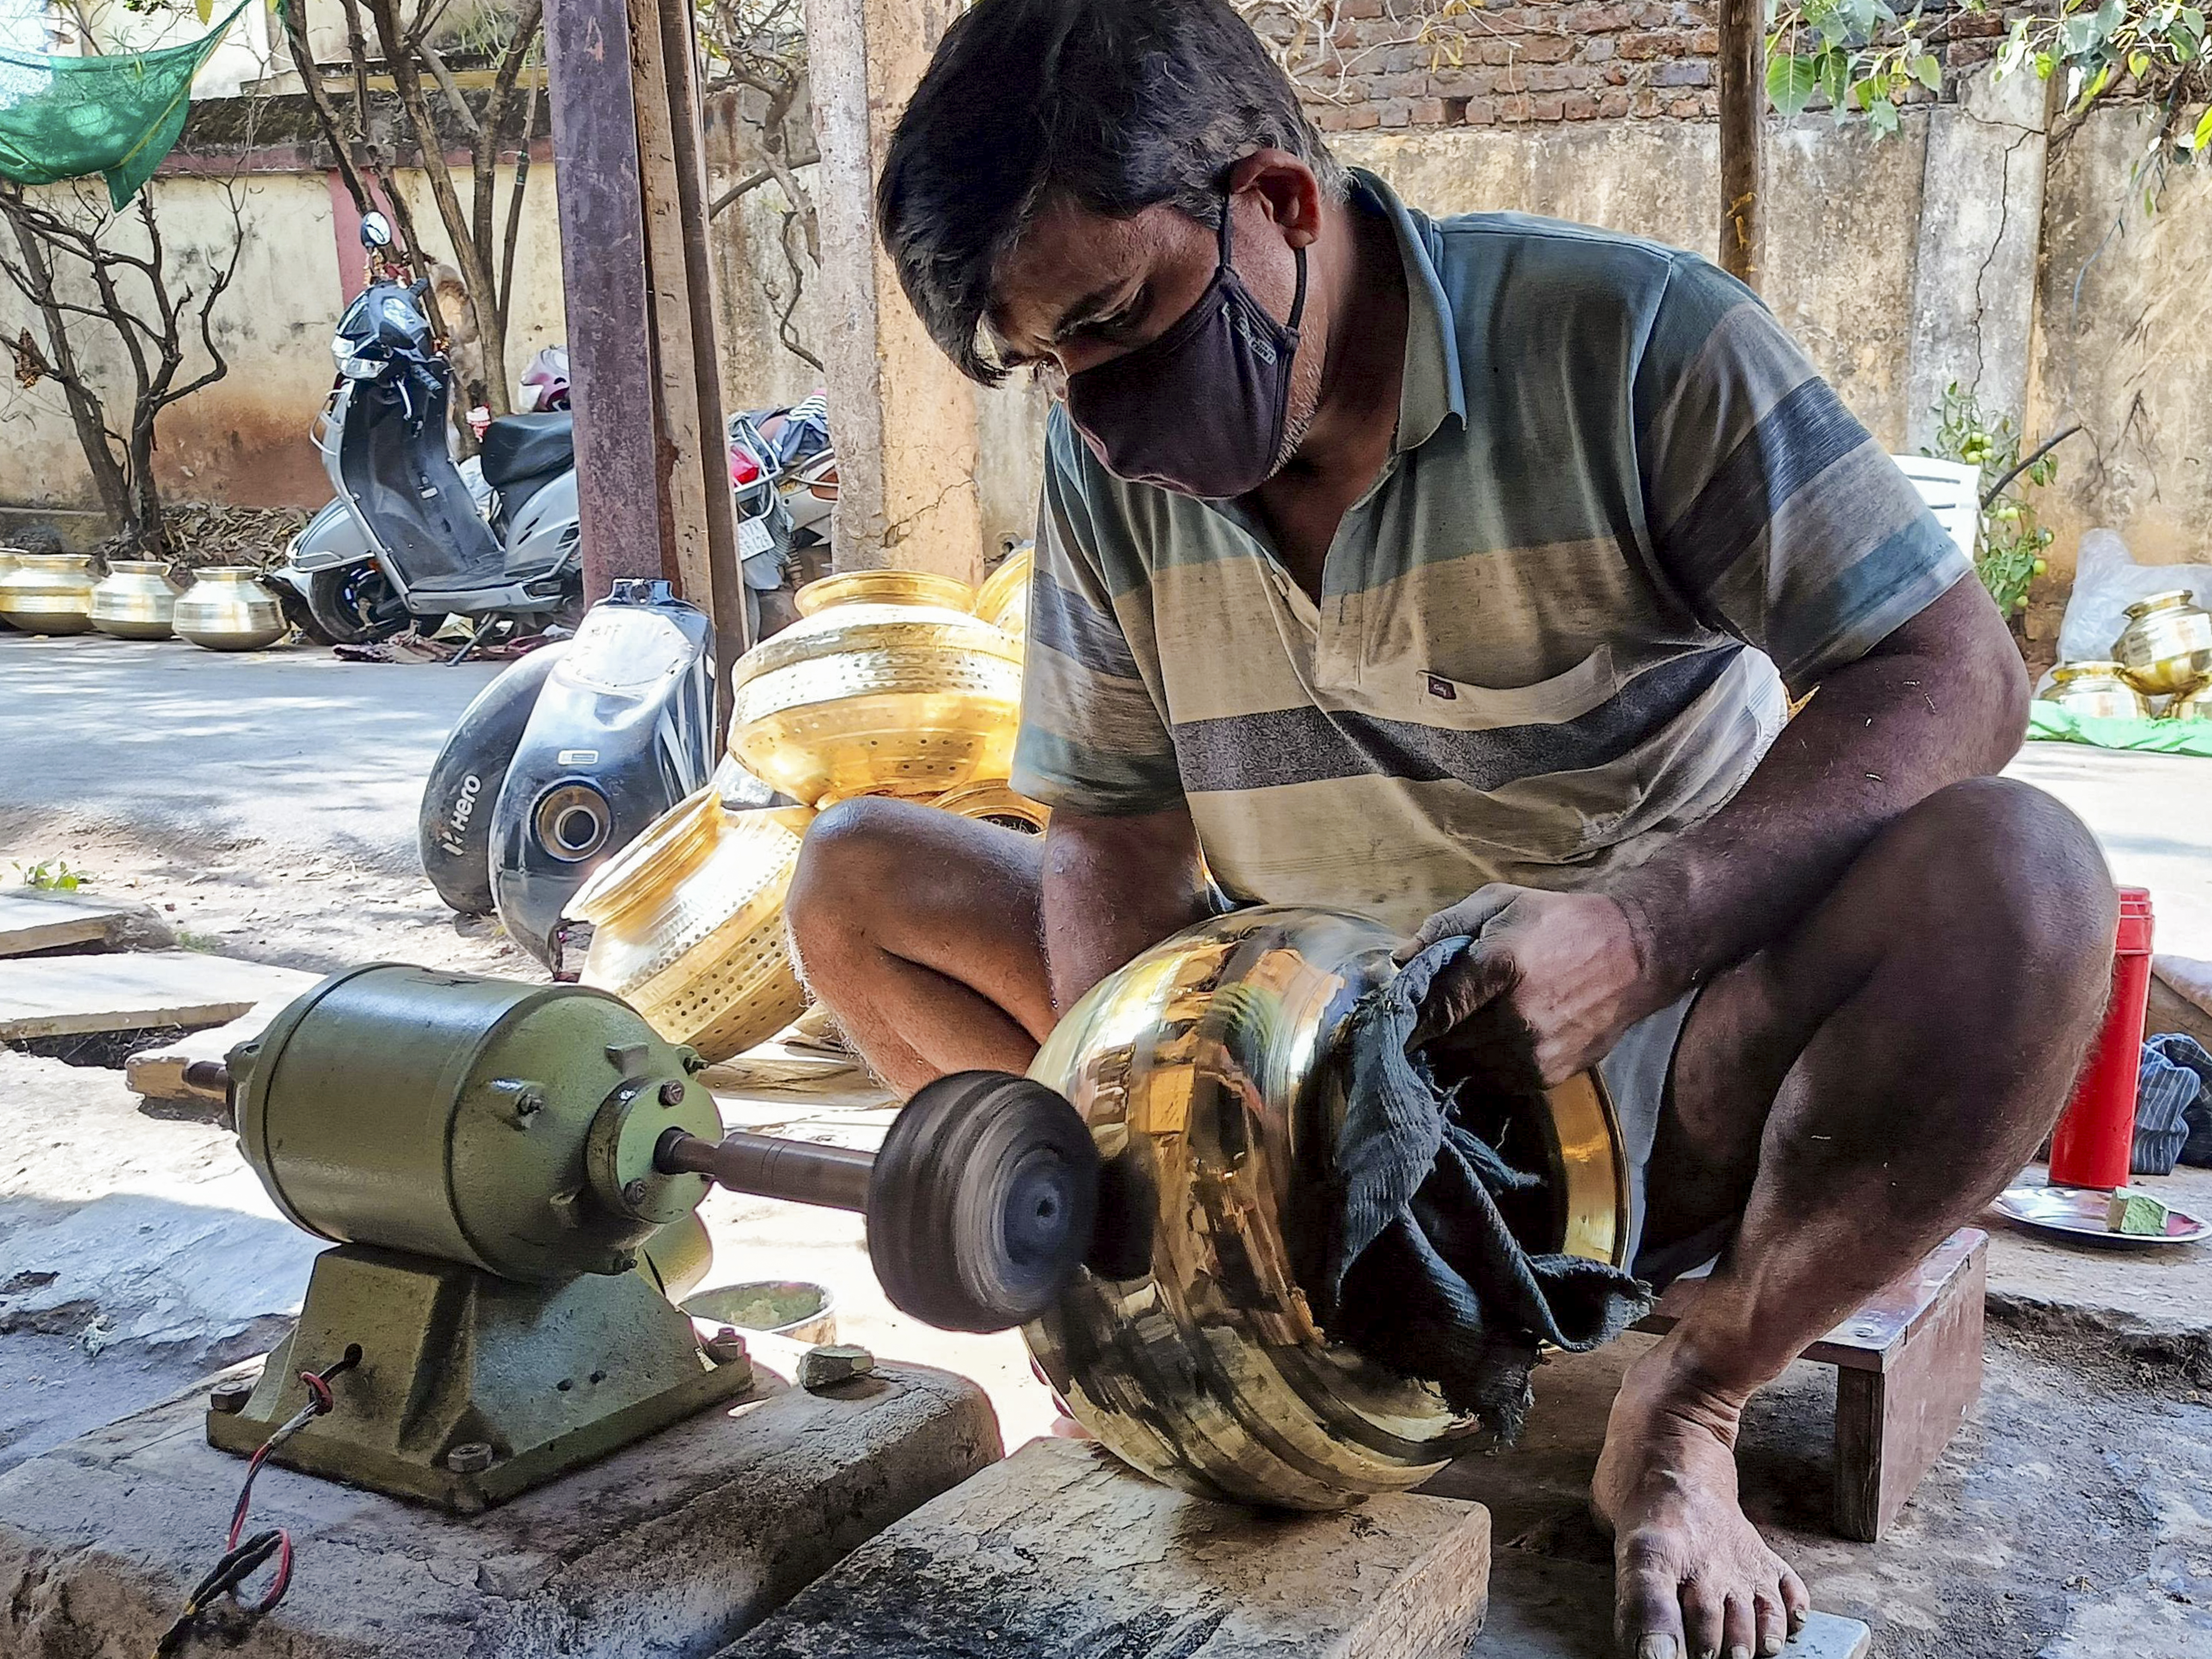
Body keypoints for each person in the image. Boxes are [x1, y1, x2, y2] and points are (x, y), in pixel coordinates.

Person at [787, 2, 2116, 1653]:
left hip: (1644, 1072)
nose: (1102, 418)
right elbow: (1113, 830)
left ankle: (1693, 1402)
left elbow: (1953, 672)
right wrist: (1140, 1157)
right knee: (856, 882)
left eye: (1120, 322)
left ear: (1278, 200)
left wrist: (1643, 932)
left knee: (2028, 884)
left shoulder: (1632, 341)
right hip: (1286, 1055)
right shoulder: (1107, 469)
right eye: (1051, 365)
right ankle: (1211, 1297)